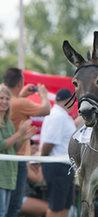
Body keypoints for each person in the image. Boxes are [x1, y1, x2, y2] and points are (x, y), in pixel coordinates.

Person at [3, 67, 51, 217]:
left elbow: (13, 104)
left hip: (9, 155)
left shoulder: (10, 102)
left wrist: (22, 94)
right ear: (19, 83)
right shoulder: (20, 103)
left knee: (6, 203)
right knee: (13, 204)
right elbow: (46, 109)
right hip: (19, 157)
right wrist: (43, 94)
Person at [0, 85, 36, 217]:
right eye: (1, 98)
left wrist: (23, 138)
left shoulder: (8, 122)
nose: (4, 101)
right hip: (1, 174)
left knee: (7, 210)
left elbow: (13, 148)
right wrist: (19, 133)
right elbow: (1, 145)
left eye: (7, 99)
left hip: (9, 174)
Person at [40, 88, 76, 217]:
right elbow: (49, 142)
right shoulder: (58, 115)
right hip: (56, 165)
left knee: (64, 204)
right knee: (56, 206)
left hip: (62, 166)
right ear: (68, 101)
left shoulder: (61, 115)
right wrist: (42, 159)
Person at [20, 140, 48, 217]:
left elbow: (43, 181)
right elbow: (37, 179)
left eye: (38, 148)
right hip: (23, 198)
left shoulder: (35, 165)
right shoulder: (25, 163)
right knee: (52, 210)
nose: (36, 151)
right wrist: (44, 161)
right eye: (33, 148)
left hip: (35, 197)